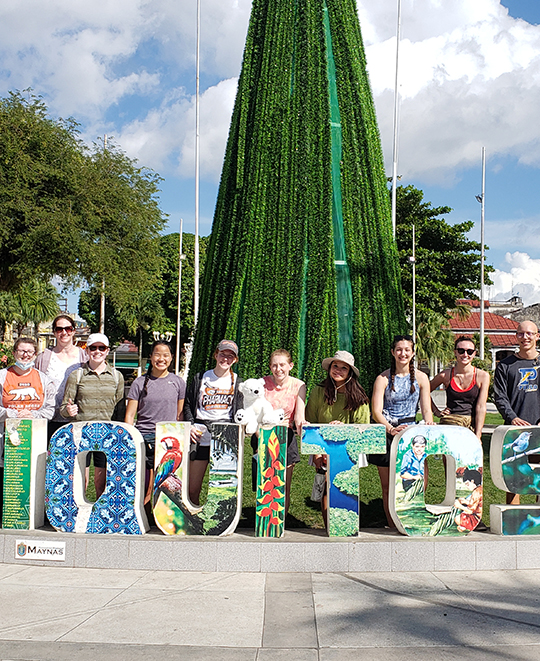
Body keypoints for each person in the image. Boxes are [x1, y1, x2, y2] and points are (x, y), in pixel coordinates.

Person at [369, 335, 433, 527]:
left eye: (407, 350)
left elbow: (426, 409)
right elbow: (375, 411)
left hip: (412, 434)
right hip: (387, 432)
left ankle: (411, 520)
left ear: (413, 353)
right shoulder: (383, 378)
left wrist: (428, 424)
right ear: (393, 352)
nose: (402, 353)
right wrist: (390, 429)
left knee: (418, 481)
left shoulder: (422, 378)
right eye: (399, 349)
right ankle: (392, 524)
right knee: (388, 486)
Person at [305, 350, 370, 528]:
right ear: (330, 368)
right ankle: (329, 527)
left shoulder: (359, 396)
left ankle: (345, 525)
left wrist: (343, 430)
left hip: (349, 450)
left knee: (345, 488)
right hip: (322, 448)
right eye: (335, 366)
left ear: (350, 372)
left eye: (344, 368)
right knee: (326, 488)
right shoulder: (318, 391)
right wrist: (318, 453)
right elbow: (310, 422)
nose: (338, 370)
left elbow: (362, 427)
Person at [60, 333, 125, 499]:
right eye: (93, 348)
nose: (97, 351)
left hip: (106, 436)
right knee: (81, 480)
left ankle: (101, 518)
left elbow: (120, 412)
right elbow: (63, 408)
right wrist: (69, 411)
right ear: (87, 350)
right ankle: (77, 518)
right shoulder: (77, 375)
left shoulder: (117, 377)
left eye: (101, 348)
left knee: (101, 482)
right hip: (81, 434)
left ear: (107, 350)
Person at [0, 337, 55, 519]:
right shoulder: (2, 376)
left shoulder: (43, 379)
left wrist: (33, 415)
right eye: (21, 351)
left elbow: (49, 410)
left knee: (32, 479)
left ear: (35, 354)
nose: (25, 355)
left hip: (35, 440)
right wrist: (13, 414)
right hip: (5, 440)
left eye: (29, 352)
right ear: (14, 353)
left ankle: (33, 516)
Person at [183, 340, 243, 505]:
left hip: (224, 437)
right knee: (193, 488)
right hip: (200, 436)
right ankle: (193, 518)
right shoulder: (200, 377)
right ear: (216, 354)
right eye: (223, 354)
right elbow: (188, 404)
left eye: (231, 356)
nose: (226, 359)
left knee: (221, 489)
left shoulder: (238, 381)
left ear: (235, 360)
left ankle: (217, 523)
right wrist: (190, 425)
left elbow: (240, 412)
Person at [125, 340, 186, 500]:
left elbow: (180, 415)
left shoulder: (178, 383)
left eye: (166, 355)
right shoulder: (139, 383)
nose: (161, 359)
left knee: (162, 483)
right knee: (143, 483)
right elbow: (130, 415)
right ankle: (143, 515)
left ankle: (158, 518)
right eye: (157, 355)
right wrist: (128, 438)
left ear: (172, 358)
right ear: (151, 357)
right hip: (143, 437)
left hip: (168, 441)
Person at [494, 320, 540, 505]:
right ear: (516, 336)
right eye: (521, 334)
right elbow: (500, 397)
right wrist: (512, 418)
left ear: (538, 336)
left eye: (529, 333)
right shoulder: (506, 365)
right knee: (514, 478)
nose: (525, 337)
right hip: (514, 430)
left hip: (538, 427)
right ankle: (513, 521)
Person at [257, 349, 306, 515]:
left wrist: (303, 427)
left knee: (283, 483)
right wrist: (260, 437)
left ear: (290, 366)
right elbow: (256, 414)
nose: (279, 369)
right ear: (270, 367)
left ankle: (280, 520)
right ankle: (265, 521)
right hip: (264, 434)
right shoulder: (261, 384)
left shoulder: (299, 386)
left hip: (286, 436)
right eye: (275, 365)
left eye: (282, 365)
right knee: (265, 482)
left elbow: (299, 417)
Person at [35, 314, 87, 437]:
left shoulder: (84, 357)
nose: (64, 332)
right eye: (59, 329)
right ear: (54, 332)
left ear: (74, 331)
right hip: (49, 419)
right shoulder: (43, 358)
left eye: (68, 329)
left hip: (76, 419)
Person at [430, 336, 490, 439]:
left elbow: (481, 407)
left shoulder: (482, 376)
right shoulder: (445, 375)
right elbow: (423, 391)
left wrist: (478, 434)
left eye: (469, 351)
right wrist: (437, 412)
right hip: (450, 424)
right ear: (455, 352)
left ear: (474, 354)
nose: (465, 355)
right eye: (461, 351)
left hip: (469, 426)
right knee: (449, 455)